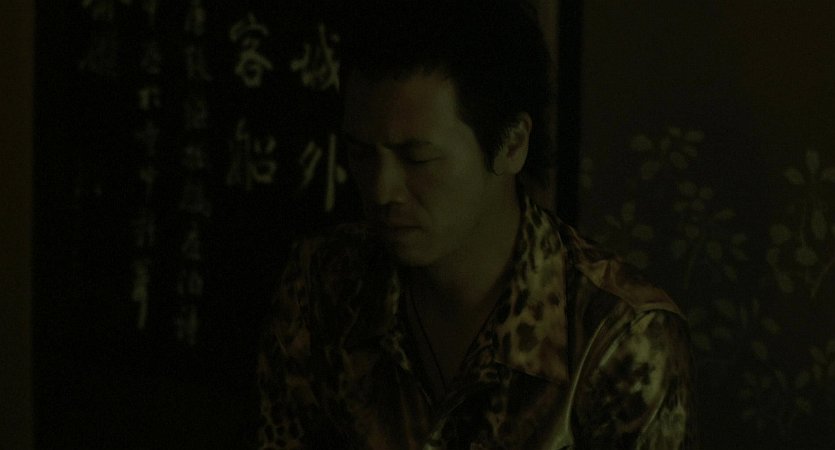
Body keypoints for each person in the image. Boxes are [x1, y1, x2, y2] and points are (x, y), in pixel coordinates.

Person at [257, 0, 696, 448]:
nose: (382, 190)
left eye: (418, 158)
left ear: (512, 144)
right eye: (361, 154)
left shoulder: (620, 337)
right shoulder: (323, 281)